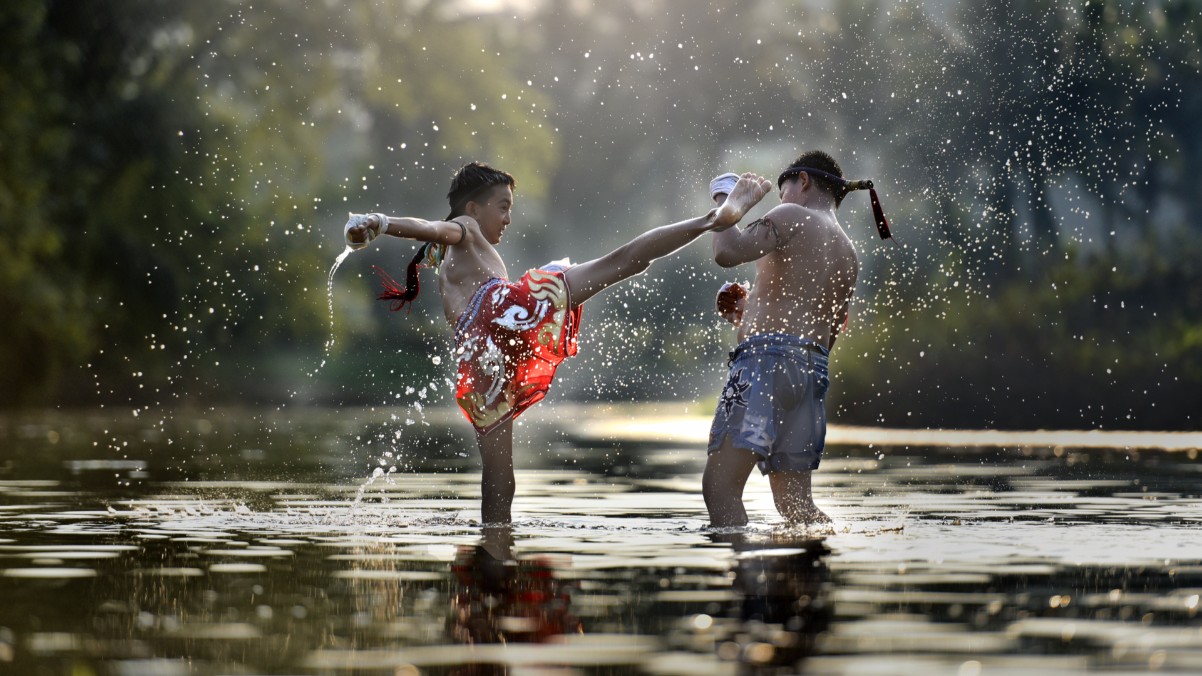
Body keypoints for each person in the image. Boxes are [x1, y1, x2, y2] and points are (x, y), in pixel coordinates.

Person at [345, 161, 773, 524]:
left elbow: (430, 237)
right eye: (503, 207)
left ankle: (496, 550)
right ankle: (714, 219)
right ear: (473, 207)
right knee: (622, 261)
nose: (508, 219)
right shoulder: (465, 226)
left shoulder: (453, 253)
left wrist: (381, 228)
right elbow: (430, 226)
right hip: (503, 314)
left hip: (478, 359)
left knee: (498, 471)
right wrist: (380, 223)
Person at [703, 150, 886, 528]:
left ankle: (741, 586)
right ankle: (812, 579)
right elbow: (822, 332)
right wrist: (745, 315)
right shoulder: (848, 252)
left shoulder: (792, 215)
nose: (779, 202)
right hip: (811, 374)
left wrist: (726, 197)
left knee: (720, 489)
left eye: (781, 191)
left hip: (765, 363)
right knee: (796, 507)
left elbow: (726, 251)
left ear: (802, 180)